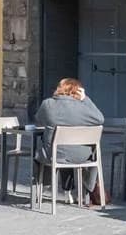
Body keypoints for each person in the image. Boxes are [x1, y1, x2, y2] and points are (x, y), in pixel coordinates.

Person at [34, 78, 106, 208]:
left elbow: (38, 119)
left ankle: (42, 187)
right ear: (78, 91)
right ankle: (88, 187)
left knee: (39, 151)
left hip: (55, 154)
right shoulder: (83, 108)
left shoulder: (48, 104)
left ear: (59, 89)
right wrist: (85, 99)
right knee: (93, 151)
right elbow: (100, 119)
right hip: (82, 156)